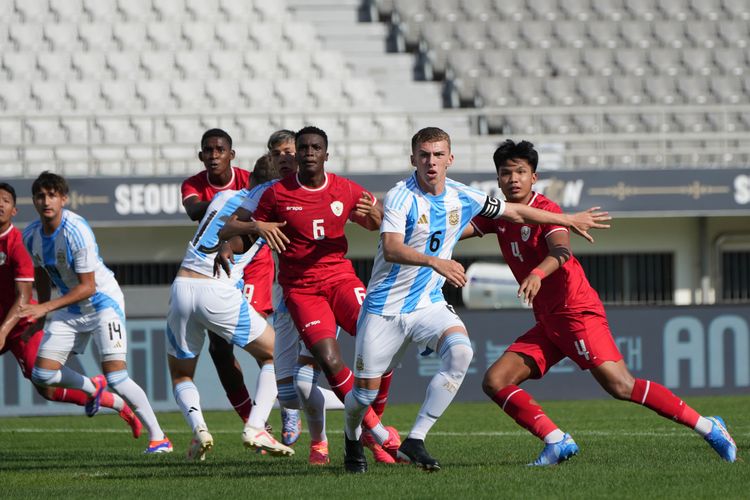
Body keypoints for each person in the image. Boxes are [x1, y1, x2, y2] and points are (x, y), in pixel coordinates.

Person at [342, 128, 610, 473]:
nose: (431, 162)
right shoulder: (399, 196)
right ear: (413, 160)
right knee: (363, 397)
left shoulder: (463, 195)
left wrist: (567, 219)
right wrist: (436, 261)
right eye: (424, 155)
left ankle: (415, 439)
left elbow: (516, 213)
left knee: (461, 352)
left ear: (450, 159)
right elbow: (392, 249)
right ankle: (351, 439)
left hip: (427, 303)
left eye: (438, 155)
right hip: (384, 310)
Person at [469, 139, 737, 465]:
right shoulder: (498, 214)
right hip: (549, 320)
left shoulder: (549, 211)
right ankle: (556, 441)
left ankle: (710, 427)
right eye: (506, 173)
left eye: (520, 172)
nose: (513, 179)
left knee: (621, 386)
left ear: (533, 177)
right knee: (495, 381)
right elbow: (458, 230)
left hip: (576, 311)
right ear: (497, 179)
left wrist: (538, 273)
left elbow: (561, 251)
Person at [218, 126, 400, 465]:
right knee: (321, 368)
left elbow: (376, 222)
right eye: (303, 148)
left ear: (326, 154)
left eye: (316, 147)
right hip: (301, 291)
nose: (309, 152)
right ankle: (375, 433)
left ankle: (370, 436)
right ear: (295, 154)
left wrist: (376, 216)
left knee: (379, 344)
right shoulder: (275, 195)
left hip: (342, 280)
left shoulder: (344, 189)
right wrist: (231, 246)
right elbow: (240, 232)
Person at [20, 172, 170, 454]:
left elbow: (88, 287)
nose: (46, 201)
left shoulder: (76, 230)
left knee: (118, 377)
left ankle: (159, 436)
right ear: (34, 201)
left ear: (64, 198)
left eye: (52, 195)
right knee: (41, 374)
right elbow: (41, 274)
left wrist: (45, 307)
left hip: (102, 303)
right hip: (69, 307)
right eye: (40, 196)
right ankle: (93, 387)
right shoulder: (30, 235)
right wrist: (39, 318)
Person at [166, 161, 294, 461]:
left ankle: (199, 430)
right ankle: (256, 426)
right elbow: (235, 233)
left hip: (183, 285)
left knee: (182, 375)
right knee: (275, 355)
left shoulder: (224, 196)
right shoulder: (265, 210)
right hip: (216, 289)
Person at [0, 182, 141, 435]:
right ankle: (103, 395)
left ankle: (111, 399)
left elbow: (23, 296)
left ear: (14, 210)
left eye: (5, 200)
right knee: (45, 383)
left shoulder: (18, 243)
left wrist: (6, 330)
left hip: (20, 324)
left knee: (45, 385)